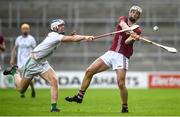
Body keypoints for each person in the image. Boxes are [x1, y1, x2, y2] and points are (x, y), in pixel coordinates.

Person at [3, 18, 94, 112]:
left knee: (54, 80)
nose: (63, 27)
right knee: (21, 89)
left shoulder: (57, 35)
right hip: (32, 63)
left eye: (63, 25)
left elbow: (72, 38)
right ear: (54, 27)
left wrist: (82, 37)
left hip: (43, 62)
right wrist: (85, 37)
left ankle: (53, 107)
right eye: (60, 26)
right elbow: (72, 39)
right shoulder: (54, 36)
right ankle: (14, 72)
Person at [65, 5, 142, 113]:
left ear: (138, 17)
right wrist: (131, 32)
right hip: (111, 53)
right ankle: (79, 96)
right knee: (89, 71)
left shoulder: (138, 30)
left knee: (120, 83)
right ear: (129, 12)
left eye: (136, 13)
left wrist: (134, 37)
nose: (134, 14)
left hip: (122, 56)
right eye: (132, 12)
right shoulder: (122, 19)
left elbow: (126, 42)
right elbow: (124, 26)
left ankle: (125, 107)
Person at [10, 23, 36, 98]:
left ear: (29, 30)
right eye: (24, 29)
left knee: (29, 78)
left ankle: (33, 89)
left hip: (28, 62)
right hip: (20, 62)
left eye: (27, 29)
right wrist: (12, 59)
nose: (25, 30)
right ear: (21, 30)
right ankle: (22, 92)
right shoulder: (18, 39)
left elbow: (35, 50)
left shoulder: (31, 39)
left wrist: (34, 60)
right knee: (20, 77)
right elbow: (14, 49)